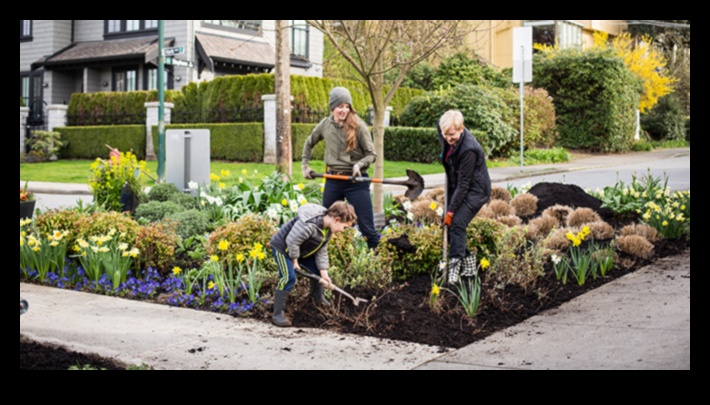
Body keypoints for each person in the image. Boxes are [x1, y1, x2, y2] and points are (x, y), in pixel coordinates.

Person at [301, 86, 381, 250]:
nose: (344, 110)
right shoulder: (325, 125)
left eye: (347, 107)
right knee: (324, 221)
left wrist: (359, 165)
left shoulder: (359, 127)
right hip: (333, 179)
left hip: (356, 181)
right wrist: (305, 165)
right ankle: (321, 257)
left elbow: (372, 155)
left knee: (367, 227)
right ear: (332, 108)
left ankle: (378, 261)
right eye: (340, 106)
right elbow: (309, 143)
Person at [270, 201, 358, 327]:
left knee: (316, 270)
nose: (343, 231)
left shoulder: (327, 229)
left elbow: (321, 250)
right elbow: (292, 241)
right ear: (336, 220)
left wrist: (324, 273)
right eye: (345, 227)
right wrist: (294, 261)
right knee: (288, 277)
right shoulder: (309, 224)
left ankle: (317, 299)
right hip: (283, 249)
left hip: (300, 249)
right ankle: (278, 313)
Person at [437, 109, 491, 284]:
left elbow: (464, 184)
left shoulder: (470, 150)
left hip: (476, 190)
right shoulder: (445, 131)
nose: (448, 138)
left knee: (457, 224)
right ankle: (469, 263)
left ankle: (453, 271)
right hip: (457, 184)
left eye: (452, 135)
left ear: (462, 129)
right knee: (453, 227)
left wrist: (451, 212)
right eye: (445, 134)